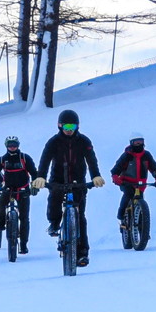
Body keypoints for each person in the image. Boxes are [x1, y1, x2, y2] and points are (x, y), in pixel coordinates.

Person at [32, 109, 105, 267]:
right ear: (59, 126)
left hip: (78, 182)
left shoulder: (84, 141)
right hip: (57, 180)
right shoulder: (53, 142)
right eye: (66, 125)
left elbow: (91, 160)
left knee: (80, 217)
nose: (69, 129)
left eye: (72, 125)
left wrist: (95, 176)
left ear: (77, 126)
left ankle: (82, 254)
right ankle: (54, 223)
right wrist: (40, 176)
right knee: (54, 203)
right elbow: (45, 160)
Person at [0, 135, 39, 254]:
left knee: (24, 218)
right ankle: (2, 225)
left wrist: (35, 186)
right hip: (8, 189)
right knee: (0, 208)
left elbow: (34, 173)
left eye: (14, 145)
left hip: (23, 190)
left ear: (18, 145)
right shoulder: (2, 160)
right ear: (6, 146)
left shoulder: (25, 158)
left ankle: (23, 244)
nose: (12, 147)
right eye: (10, 145)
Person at [110, 136, 156, 228]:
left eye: (141, 142)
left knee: (141, 202)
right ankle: (122, 215)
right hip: (126, 183)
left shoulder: (146, 155)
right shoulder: (127, 155)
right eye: (136, 142)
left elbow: (154, 168)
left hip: (140, 185)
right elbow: (117, 168)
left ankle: (143, 230)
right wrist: (115, 177)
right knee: (128, 194)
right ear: (132, 143)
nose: (139, 144)